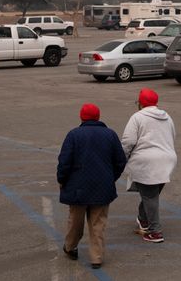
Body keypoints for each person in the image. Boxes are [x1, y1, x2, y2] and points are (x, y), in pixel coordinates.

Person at [57, 103, 126, 269]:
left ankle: (71, 247)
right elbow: (120, 161)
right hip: (102, 187)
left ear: (81, 117)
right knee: (98, 223)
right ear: (98, 117)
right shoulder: (110, 134)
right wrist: (111, 178)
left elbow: (64, 162)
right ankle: (96, 257)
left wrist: (62, 180)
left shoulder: (74, 135)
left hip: (77, 187)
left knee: (75, 221)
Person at [121, 88, 177, 243]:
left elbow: (128, 141)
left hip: (147, 162)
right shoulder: (167, 117)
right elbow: (172, 136)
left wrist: (121, 158)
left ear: (140, 103)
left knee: (149, 196)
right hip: (167, 160)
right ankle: (143, 220)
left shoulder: (137, 117)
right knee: (150, 195)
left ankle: (155, 231)